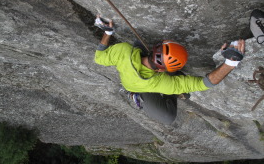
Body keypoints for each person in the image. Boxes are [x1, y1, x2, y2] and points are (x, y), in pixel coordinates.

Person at [94, 16, 245, 124]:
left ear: (155, 48)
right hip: (142, 87)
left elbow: (99, 57)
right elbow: (205, 83)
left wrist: (107, 33)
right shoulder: (164, 83)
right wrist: (230, 63)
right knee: (168, 117)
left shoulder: (123, 51)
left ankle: (137, 89)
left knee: (138, 44)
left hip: (133, 79)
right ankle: (151, 93)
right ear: (163, 71)